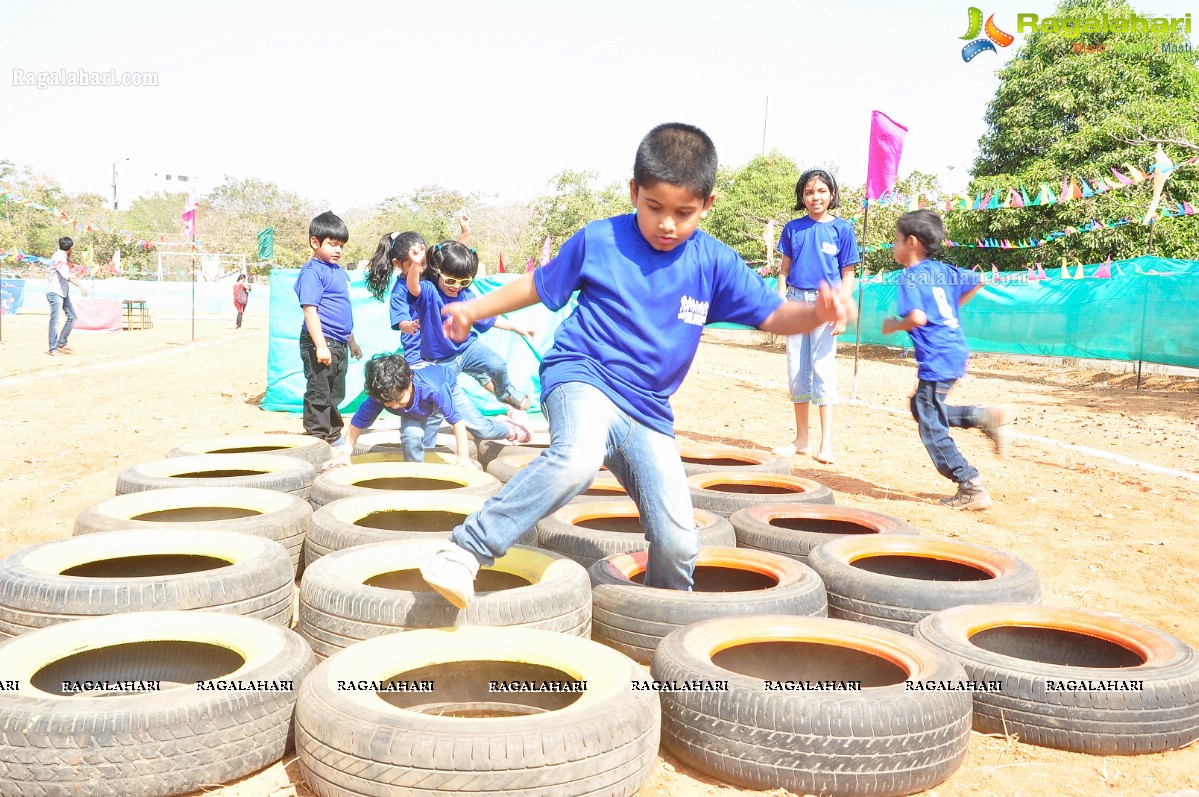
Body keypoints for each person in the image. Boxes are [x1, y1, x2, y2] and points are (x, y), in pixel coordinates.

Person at [418, 122, 849, 608]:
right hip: (583, 375)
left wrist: (817, 312)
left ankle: (662, 614)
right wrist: (474, 309)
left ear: (707, 205)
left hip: (648, 410)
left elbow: (773, 315)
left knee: (681, 541)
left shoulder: (714, 262)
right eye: (654, 208)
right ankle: (464, 550)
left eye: (684, 213)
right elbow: (540, 284)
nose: (668, 224)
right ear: (633, 192)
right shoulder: (601, 240)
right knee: (578, 460)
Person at [881, 209, 1010, 511]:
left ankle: (969, 484)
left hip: (937, 357)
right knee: (922, 406)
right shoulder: (944, 270)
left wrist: (893, 325)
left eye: (896, 240)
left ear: (912, 242)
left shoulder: (910, 277)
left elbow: (917, 317)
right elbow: (979, 280)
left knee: (930, 423)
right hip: (954, 350)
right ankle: (980, 416)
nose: (893, 246)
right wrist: (952, 306)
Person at [771, 169, 859, 465]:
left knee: (823, 371)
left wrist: (842, 310)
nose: (815, 197)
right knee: (796, 372)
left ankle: (826, 444)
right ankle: (801, 440)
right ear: (802, 197)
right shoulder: (793, 229)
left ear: (831, 194)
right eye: (809, 192)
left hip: (826, 306)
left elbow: (848, 274)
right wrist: (781, 297)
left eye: (821, 191)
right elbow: (783, 270)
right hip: (796, 304)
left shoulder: (843, 230)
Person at [329, 354, 531, 468]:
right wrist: (346, 452)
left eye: (398, 400)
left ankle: (511, 429)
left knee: (481, 429)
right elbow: (357, 423)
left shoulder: (434, 389)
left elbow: (457, 423)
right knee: (412, 435)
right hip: (417, 408)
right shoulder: (383, 394)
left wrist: (462, 457)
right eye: (387, 403)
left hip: (446, 389)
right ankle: (416, 474)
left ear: (408, 382)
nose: (393, 406)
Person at [406, 239, 535, 411]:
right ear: (438, 273)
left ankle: (505, 392)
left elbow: (489, 317)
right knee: (439, 396)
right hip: (441, 359)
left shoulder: (467, 295)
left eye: (464, 281)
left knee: (499, 365)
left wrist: (515, 327)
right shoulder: (429, 291)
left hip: (467, 349)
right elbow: (414, 288)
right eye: (451, 281)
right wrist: (415, 265)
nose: (457, 286)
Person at [364, 216, 471, 364]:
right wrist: (410, 325)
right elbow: (401, 322)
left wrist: (464, 234)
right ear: (397, 263)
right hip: (417, 351)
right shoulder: (400, 291)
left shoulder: (428, 275)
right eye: (413, 264)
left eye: (424, 262)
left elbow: (453, 261)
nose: (420, 268)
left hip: (440, 346)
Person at [295, 211, 362, 446]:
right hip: (320, 343)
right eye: (332, 244)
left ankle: (332, 434)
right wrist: (320, 346)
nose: (338, 250)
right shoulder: (313, 272)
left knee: (335, 392)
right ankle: (316, 439)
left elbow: (343, 311)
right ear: (315, 242)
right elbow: (310, 311)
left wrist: (351, 342)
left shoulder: (340, 272)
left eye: (341, 245)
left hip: (340, 343)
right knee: (319, 391)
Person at [45, 236, 88, 356]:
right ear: (69, 248)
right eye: (72, 249)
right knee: (55, 321)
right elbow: (67, 276)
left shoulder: (62, 257)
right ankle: (53, 348)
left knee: (72, 316)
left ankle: (61, 342)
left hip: (63, 292)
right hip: (55, 292)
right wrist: (80, 286)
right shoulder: (59, 258)